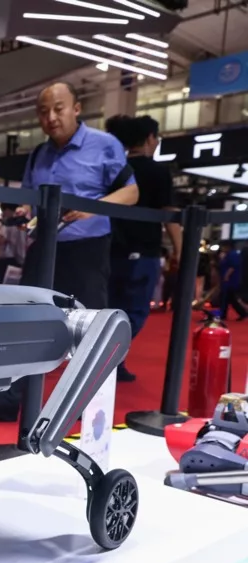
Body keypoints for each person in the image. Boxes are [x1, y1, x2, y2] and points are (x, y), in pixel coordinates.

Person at [0, 81, 138, 422]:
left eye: (59, 109)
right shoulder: (38, 154)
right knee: (25, 322)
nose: (51, 118)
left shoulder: (105, 145)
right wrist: (23, 213)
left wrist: (92, 208)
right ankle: (9, 399)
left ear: (76, 108)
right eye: (43, 112)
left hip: (87, 248)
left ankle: (87, 404)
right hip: (44, 247)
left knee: (91, 327)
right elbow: (31, 199)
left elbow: (131, 193)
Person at [104, 114, 182, 382]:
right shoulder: (157, 171)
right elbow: (170, 215)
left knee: (110, 309)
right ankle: (107, 360)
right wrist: (180, 250)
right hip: (143, 252)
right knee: (135, 312)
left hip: (110, 249)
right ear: (150, 138)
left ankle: (113, 361)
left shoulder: (118, 168)